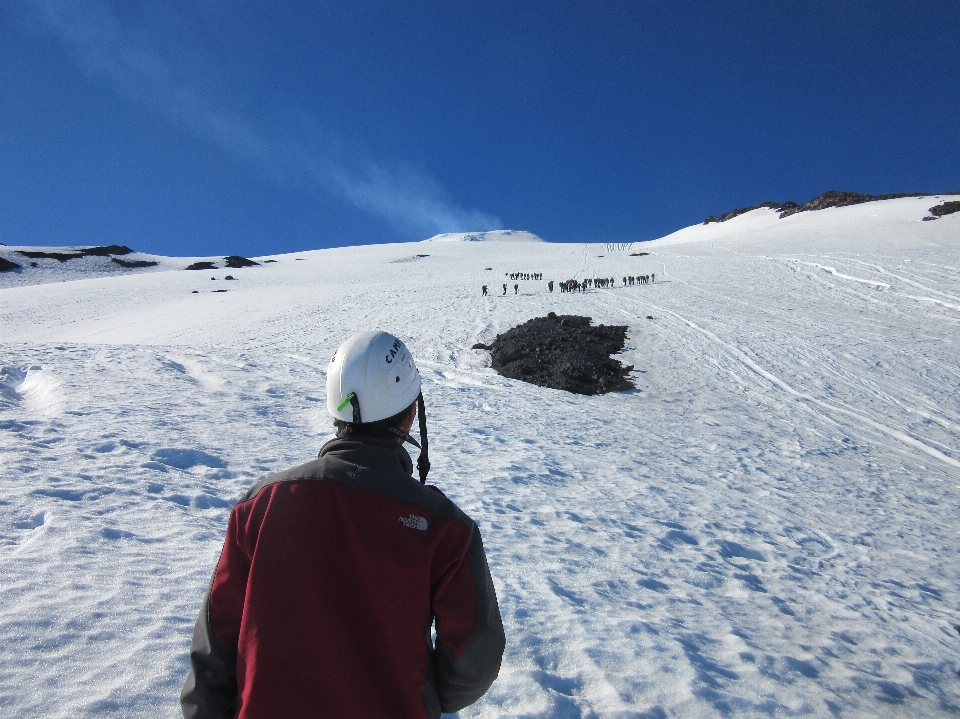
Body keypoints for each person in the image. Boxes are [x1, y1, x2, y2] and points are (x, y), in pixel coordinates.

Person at [180, 331, 505, 719]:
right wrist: (421, 696)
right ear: (411, 413)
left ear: (334, 410)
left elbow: (215, 643)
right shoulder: (445, 529)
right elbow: (475, 655)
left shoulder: (261, 505)